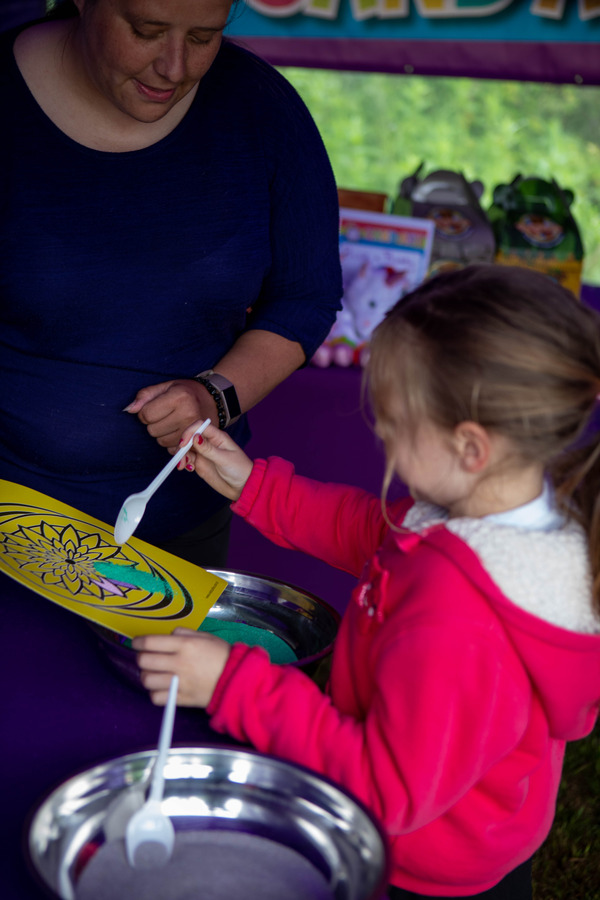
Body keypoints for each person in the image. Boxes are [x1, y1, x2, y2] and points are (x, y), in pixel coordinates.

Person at [134, 264, 600, 899]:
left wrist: (231, 682)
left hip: (427, 866)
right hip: (469, 822)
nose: (380, 431)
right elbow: (372, 532)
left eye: (395, 419)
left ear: (471, 448)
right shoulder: (492, 512)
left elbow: (383, 789)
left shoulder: (457, 618)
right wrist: (256, 486)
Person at [0, 0, 342, 565]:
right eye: (147, 31)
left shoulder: (260, 108)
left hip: (176, 526)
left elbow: (304, 299)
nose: (175, 67)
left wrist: (214, 395)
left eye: (204, 37)